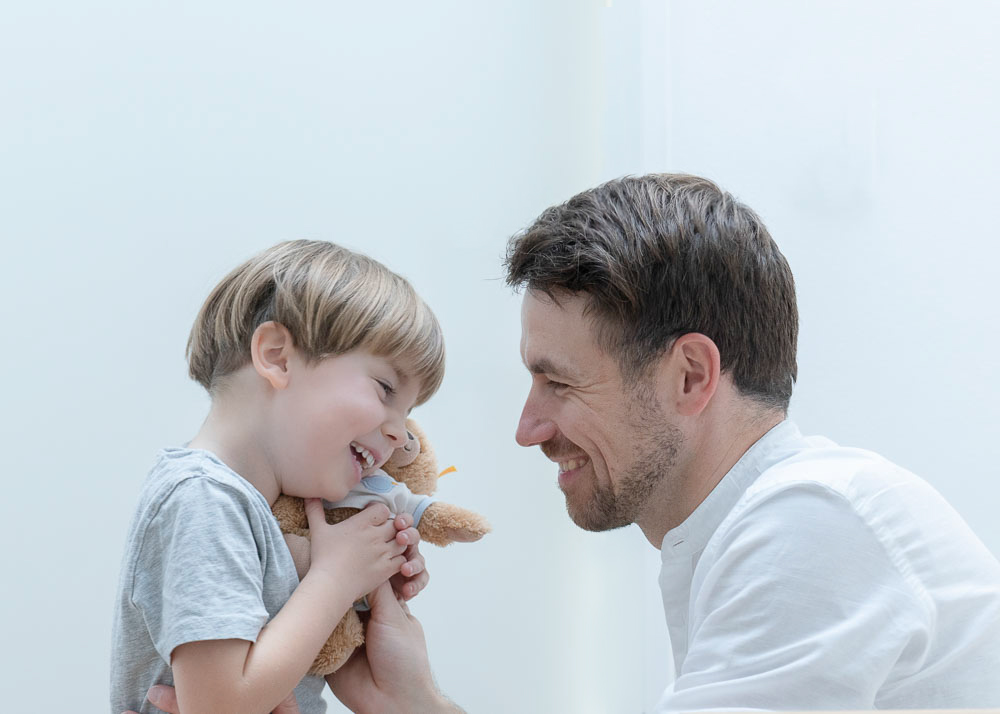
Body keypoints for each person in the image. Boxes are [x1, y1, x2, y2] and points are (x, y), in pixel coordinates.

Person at [127, 174, 1000, 712]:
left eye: (559, 381)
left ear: (691, 376)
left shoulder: (811, 526)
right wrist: (414, 704)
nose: (526, 427)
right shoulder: (759, 535)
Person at [111, 240, 452, 714]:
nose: (400, 433)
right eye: (386, 389)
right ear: (276, 357)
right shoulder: (203, 498)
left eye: (408, 411)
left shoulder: (256, 512)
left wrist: (352, 584)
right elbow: (219, 706)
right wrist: (335, 577)